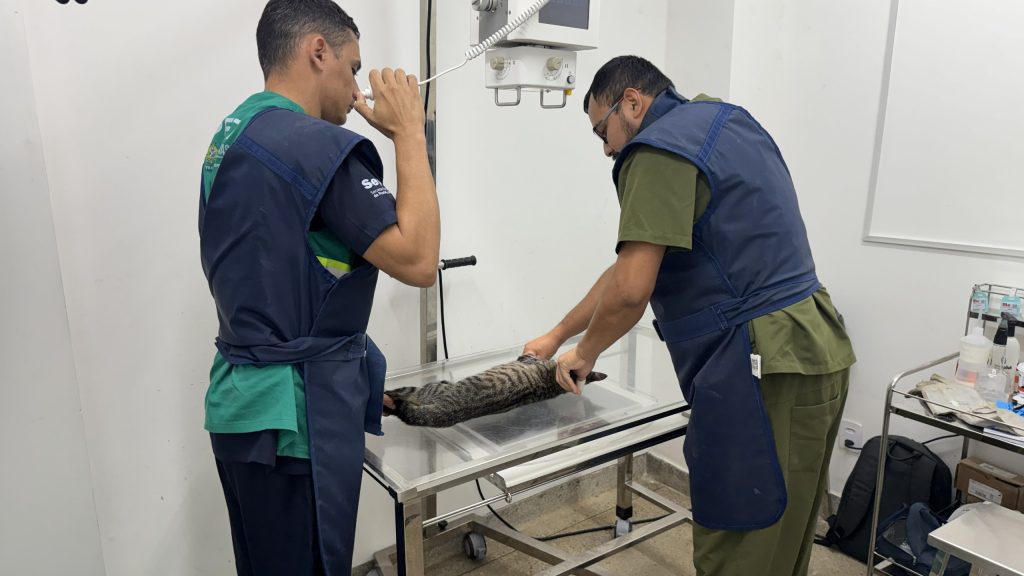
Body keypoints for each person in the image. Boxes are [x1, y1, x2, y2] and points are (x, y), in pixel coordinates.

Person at [523, 55, 856, 576]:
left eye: (602, 131)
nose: (607, 148)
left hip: (761, 363)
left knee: (741, 538)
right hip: (816, 343)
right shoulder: (726, 121)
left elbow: (631, 292)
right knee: (784, 532)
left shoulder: (657, 149)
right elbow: (628, 269)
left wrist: (584, 353)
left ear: (632, 102)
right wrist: (558, 334)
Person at [197, 1, 439, 573]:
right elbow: (419, 260)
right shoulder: (312, 147)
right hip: (291, 421)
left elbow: (283, 270)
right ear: (317, 51)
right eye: (353, 68)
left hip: (239, 405)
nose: (357, 89)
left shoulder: (232, 135)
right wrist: (410, 133)